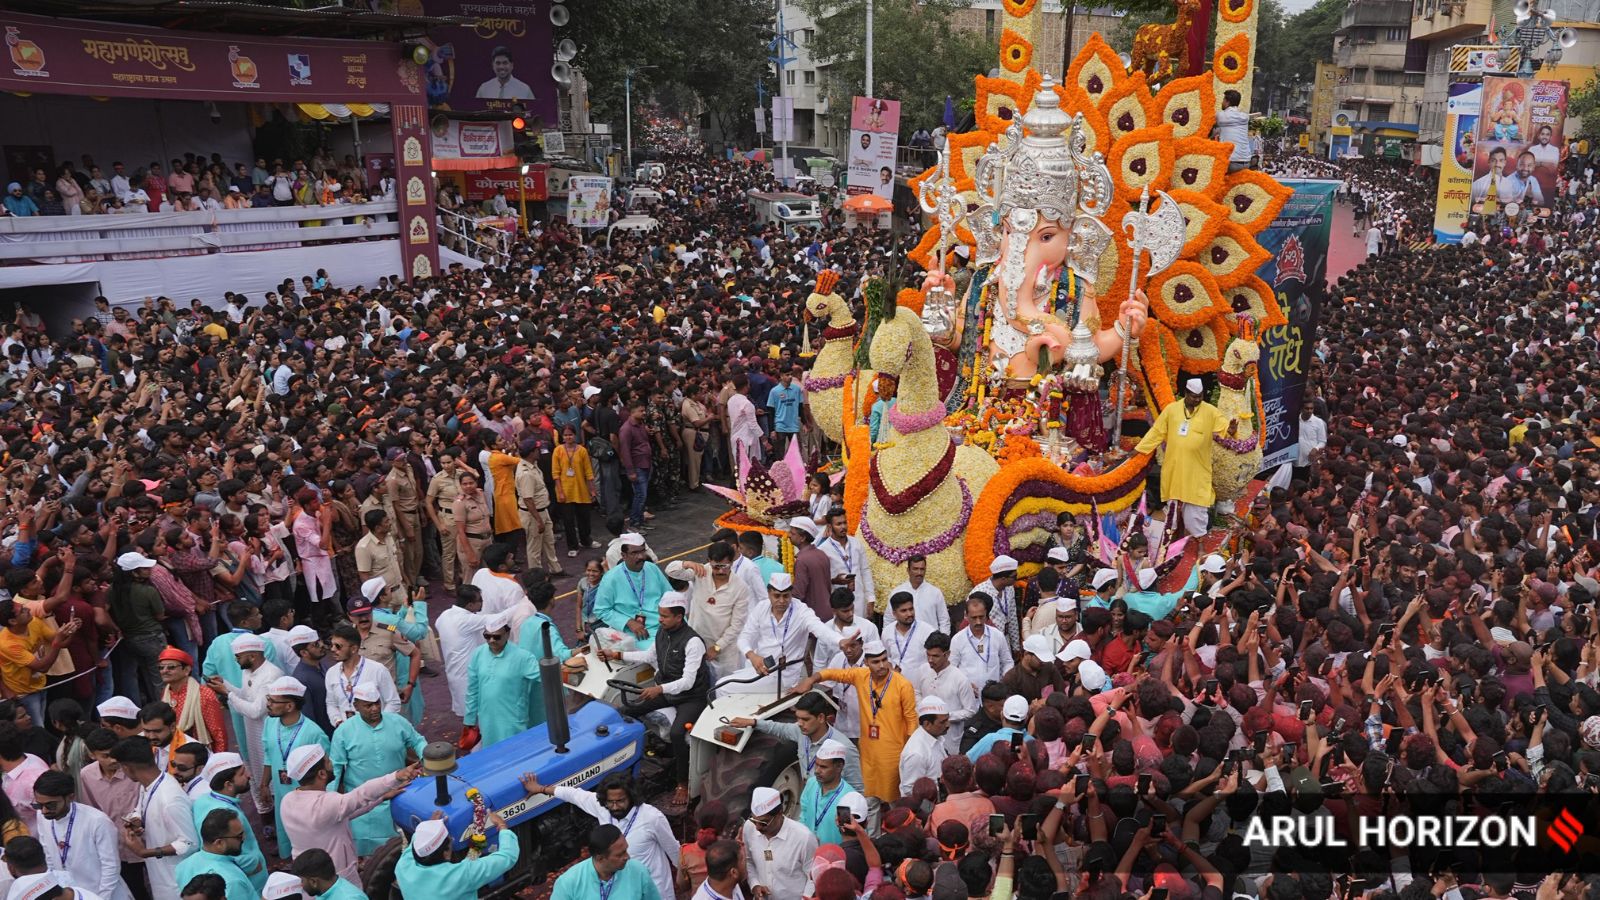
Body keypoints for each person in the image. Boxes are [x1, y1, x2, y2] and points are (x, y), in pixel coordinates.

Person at [597, 593, 707, 806]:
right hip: (665, 690)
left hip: (691, 697)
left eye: (665, 616)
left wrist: (659, 690)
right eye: (659, 615)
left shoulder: (693, 642)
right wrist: (616, 655)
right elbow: (648, 657)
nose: (660, 619)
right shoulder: (662, 633)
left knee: (677, 732)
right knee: (625, 711)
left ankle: (683, 783)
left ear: (679, 617)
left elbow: (688, 682)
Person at [790, 641, 917, 827]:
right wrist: (811, 679)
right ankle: (871, 839)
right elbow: (833, 673)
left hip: (893, 754)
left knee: (894, 801)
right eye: (875, 662)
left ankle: (899, 836)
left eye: (884, 660)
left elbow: (912, 719)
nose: (882, 666)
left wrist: (910, 752)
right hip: (867, 753)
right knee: (868, 799)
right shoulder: (861, 676)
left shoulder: (902, 685)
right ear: (866, 662)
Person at [278, 746, 417, 889]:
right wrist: (396, 776)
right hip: (337, 879)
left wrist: (382, 797)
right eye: (328, 761)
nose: (331, 763)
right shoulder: (325, 804)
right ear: (321, 774)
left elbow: (343, 813)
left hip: (308, 880)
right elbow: (360, 795)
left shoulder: (288, 800)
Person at [520, 773, 676, 900]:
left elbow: (674, 850)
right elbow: (574, 794)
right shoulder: (602, 806)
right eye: (610, 802)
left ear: (632, 796)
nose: (614, 807)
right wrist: (541, 789)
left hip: (653, 887)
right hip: (617, 886)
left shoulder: (652, 818)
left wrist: (685, 876)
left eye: (620, 801)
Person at [327, 685, 425, 856]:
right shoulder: (344, 732)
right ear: (356, 706)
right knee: (365, 855)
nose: (374, 709)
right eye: (368, 705)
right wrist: (329, 800)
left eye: (377, 703)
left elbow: (417, 741)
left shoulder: (397, 722)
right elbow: (335, 767)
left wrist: (427, 755)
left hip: (399, 793)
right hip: (362, 801)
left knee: (402, 847)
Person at [1133, 378, 1233, 537]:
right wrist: (1139, 450)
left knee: (1196, 510)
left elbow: (1224, 427)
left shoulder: (1209, 411)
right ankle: (1169, 540)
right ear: (1186, 394)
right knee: (1172, 508)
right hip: (1175, 469)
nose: (1198, 399)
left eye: (1200, 396)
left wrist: (1231, 430)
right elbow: (1157, 432)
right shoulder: (1171, 410)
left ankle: (1199, 540)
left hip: (1197, 471)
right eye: (1194, 396)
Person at [203, 634, 282, 819]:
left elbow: (256, 710)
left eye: (238, 657)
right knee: (260, 779)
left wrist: (227, 695)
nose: (235, 660)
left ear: (252, 656)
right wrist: (226, 685)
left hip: (267, 736)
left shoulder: (271, 675)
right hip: (253, 736)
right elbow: (246, 697)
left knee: (274, 785)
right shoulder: (248, 672)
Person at [110, 737, 197, 899]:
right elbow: (140, 808)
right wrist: (136, 820)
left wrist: (144, 852)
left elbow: (190, 843)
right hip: (161, 877)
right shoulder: (149, 785)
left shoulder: (170, 799)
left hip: (177, 884)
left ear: (127, 768)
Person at [30, 770, 132, 900]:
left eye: (50, 805)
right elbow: (49, 855)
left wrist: (101, 898)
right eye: (38, 805)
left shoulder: (97, 821)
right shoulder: (42, 816)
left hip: (102, 893)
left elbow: (111, 868)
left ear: (70, 797)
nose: (44, 810)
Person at [259, 677, 328, 859]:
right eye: (269, 699)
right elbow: (268, 753)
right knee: (284, 825)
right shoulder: (270, 723)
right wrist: (265, 783)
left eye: (273, 701)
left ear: (289, 706)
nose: (269, 704)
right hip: (282, 791)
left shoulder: (313, 733)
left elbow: (328, 770)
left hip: (307, 796)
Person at [734, 574, 841, 689]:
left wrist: (840, 641)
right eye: (777, 596)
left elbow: (820, 628)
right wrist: (752, 655)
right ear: (769, 594)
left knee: (722, 687)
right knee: (724, 683)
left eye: (786, 596)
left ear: (791, 594)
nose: (781, 601)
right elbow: (743, 638)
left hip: (783, 675)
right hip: (760, 668)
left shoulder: (801, 610)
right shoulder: (761, 607)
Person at [187, 754, 266, 891]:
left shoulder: (203, 800)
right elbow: (222, 853)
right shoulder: (227, 816)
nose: (248, 775)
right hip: (250, 883)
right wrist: (254, 865)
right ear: (228, 785)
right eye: (242, 773)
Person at [393, 813, 520, 898]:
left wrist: (430, 827)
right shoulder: (462, 875)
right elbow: (508, 856)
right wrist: (502, 826)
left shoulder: (403, 865)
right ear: (446, 853)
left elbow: (416, 842)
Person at [462, 612, 539, 749]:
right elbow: (472, 689)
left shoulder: (523, 657)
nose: (491, 640)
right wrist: (470, 719)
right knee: (491, 755)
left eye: (496, 637)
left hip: (512, 720)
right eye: (487, 636)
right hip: (487, 719)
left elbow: (545, 676)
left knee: (515, 752)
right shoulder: (478, 654)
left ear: (507, 634)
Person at [592, 534, 669, 649]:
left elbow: (669, 596)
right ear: (623, 556)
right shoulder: (611, 578)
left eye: (642, 551)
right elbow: (601, 609)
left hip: (664, 624)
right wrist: (628, 622)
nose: (641, 556)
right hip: (636, 634)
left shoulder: (652, 568)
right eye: (634, 553)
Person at [741, 787, 815, 900]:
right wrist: (755, 885)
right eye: (754, 820)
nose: (757, 827)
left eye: (763, 823)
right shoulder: (749, 827)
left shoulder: (804, 838)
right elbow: (749, 861)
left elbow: (813, 878)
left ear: (780, 813)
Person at [548, 824, 660, 900]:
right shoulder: (568, 883)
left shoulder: (638, 871)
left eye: (625, 850)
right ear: (600, 858)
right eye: (619, 854)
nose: (627, 857)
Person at [323, 624, 399, 727]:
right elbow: (331, 703)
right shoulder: (331, 673)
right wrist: (338, 722)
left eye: (338, 646)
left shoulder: (377, 670)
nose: (332, 649)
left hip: (375, 731)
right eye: (331, 645)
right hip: (347, 734)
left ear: (354, 649)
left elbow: (393, 702)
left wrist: (379, 725)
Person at [913, 632, 976, 755]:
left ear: (947, 655)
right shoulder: (922, 670)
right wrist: (925, 710)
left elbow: (971, 710)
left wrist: (944, 717)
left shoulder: (960, 679)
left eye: (935, 656)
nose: (930, 660)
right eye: (928, 655)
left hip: (950, 740)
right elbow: (916, 692)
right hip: (925, 736)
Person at [172, 809, 256, 900]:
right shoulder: (232, 881)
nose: (244, 838)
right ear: (219, 843)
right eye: (239, 836)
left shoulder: (182, 867)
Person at [795, 738, 859, 845]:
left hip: (833, 857)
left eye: (823, 767)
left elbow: (850, 837)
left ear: (839, 767)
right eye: (816, 765)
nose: (817, 771)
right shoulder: (811, 783)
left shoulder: (848, 798)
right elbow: (804, 814)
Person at [434, 586, 486, 719]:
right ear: (470, 605)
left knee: (471, 718)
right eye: (480, 600)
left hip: (456, 674)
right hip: (468, 677)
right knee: (475, 719)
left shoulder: (444, 616)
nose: (483, 602)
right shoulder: (466, 620)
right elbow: (496, 619)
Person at [950, 594, 1011, 689]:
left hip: (993, 695)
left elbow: (1007, 662)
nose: (978, 622)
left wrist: (1003, 681)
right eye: (974, 618)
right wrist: (965, 686)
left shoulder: (997, 635)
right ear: (966, 616)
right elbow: (952, 669)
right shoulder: (958, 640)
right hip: (968, 694)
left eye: (981, 617)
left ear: (986, 614)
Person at [897, 696, 950, 796]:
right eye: (943, 722)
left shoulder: (935, 737)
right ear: (927, 724)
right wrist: (930, 809)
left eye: (948, 719)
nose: (948, 725)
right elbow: (910, 790)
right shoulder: (917, 753)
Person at [887, 555, 948, 636]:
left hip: (931, 642)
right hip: (903, 642)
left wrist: (943, 643)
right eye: (915, 569)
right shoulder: (897, 592)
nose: (919, 573)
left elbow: (944, 620)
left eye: (922, 569)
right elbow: (889, 619)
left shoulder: (935, 592)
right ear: (908, 570)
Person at [286, 848, 366, 900]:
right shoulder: (323, 891)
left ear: (313, 882)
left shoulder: (349, 898)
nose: (301, 886)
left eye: (302, 881)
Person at [1212, 89, 1252, 172]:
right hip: (1246, 161)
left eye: (1223, 100)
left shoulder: (1221, 116)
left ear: (1227, 102)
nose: (1222, 102)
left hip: (1231, 162)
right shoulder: (1245, 117)